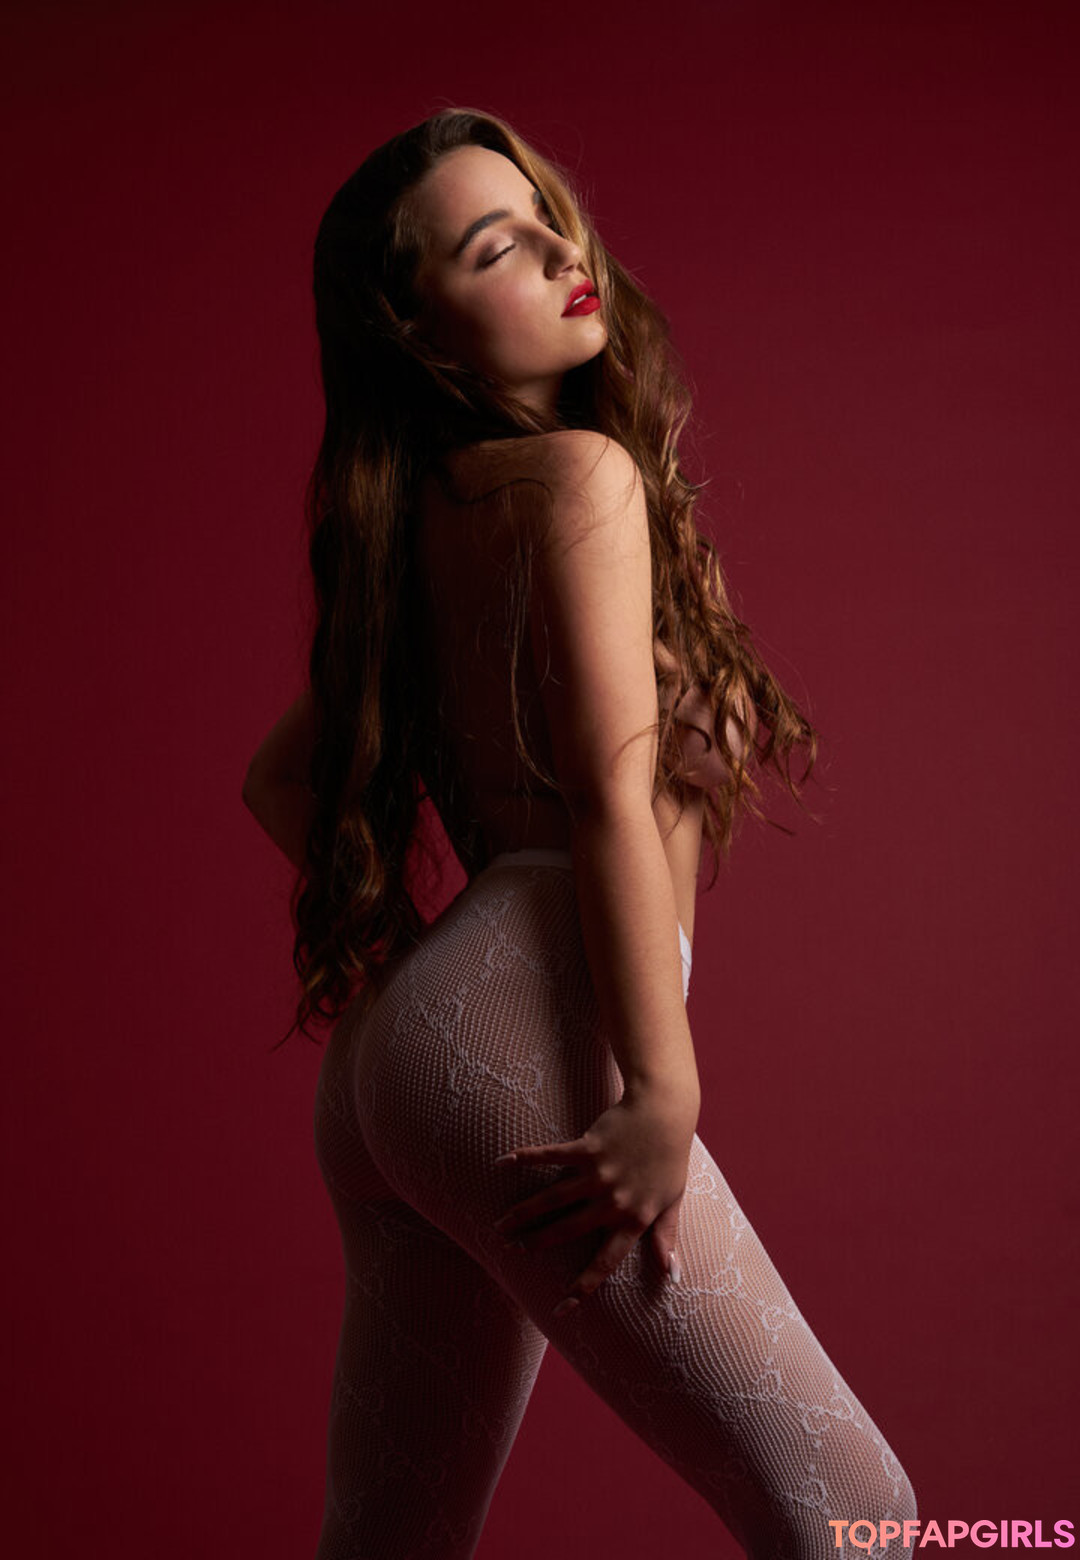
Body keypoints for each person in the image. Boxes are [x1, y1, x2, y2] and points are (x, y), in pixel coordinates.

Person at [242, 107, 918, 1560]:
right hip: (530, 1024)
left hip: (409, 1067)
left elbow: (277, 779)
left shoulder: (424, 525)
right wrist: (663, 1091)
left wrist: (416, 988)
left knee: (390, 1539)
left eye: (549, 214)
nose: (561, 250)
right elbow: (613, 798)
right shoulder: (585, 483)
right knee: (862, 1514)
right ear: (415, 331)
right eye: (498, 246)